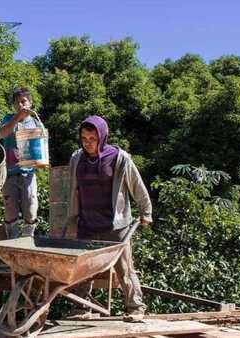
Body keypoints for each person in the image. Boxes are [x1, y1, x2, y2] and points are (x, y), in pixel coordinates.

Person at [50, 115, 152, 321]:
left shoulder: (119, 158)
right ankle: (82, 308)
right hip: (87, 222)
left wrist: (146, 212)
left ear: (103, 137)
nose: (88, 143)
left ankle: (135, 308)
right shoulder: (77, 158)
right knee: (83, 268)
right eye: (84, 139)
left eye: (92, 139)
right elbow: (73, 189)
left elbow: (137, 186)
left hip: (115, 225)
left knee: (124, 268)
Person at [0, 87, 42, 238]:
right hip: (9, 173)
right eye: (17, 103)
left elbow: (41, 148)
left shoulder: (36, 122)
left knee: (31, 206)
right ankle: (12, 242)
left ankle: (27, 239)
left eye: (23, 101)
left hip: (29, 173)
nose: (20, 105)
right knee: (10, 209)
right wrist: (17, 117)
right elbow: (2, 133)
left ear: (30, 102)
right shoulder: (8, 118)